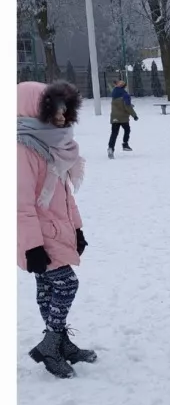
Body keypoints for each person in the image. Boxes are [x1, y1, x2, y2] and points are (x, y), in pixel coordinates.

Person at [17, 81, 96, 377]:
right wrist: (31, 246)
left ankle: (59, 342)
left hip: (55, 229)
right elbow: (19, 203)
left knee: (48, 288)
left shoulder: (52, 144)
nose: (62, 115)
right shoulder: (22, 148)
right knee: (67, 284)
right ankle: (51, 343)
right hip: (36, 235)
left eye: (65, 108)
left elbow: (64, 192)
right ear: (36, 109)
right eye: (54, 108)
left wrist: (77, 229)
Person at [108, 75, 138, 158]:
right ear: (124, 87)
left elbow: (119, 104)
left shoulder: (114, 93)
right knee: (127, 130)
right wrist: (134, 115)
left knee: (114, 133)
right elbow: (127, 107)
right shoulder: (125, 95)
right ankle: (125, 144)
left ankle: (110, 148)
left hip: (114, 117)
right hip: (123, 118)